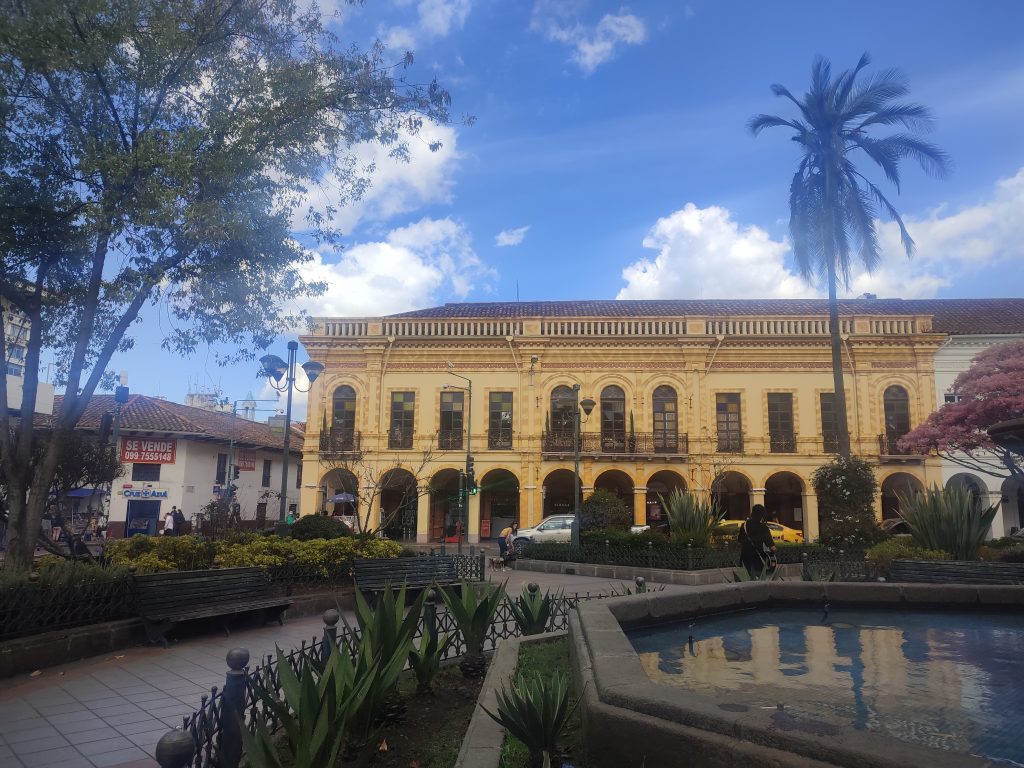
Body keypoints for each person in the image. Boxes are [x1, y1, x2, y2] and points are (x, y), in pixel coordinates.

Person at [737, 504, 776, 576]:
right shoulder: (763, 528)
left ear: (752, 513)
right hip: (758, 560)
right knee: (757, 582)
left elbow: (739, 542)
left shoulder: (744, 525)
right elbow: (772, 547)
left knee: (746, 582)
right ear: (762, 515)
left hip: (745, 558)